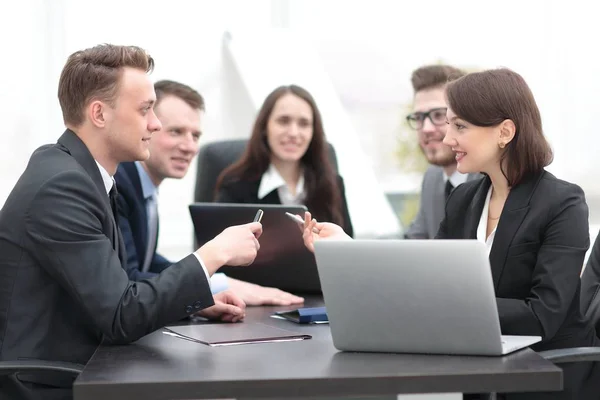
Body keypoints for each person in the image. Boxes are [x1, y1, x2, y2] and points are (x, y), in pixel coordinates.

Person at [300, 69, 599, 400]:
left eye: (460, 127)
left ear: (505, 132)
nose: (447, 139)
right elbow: (427, 278)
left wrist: (452, 306)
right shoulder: (464, 200)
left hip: (547, 377)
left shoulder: (562, 203)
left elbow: (544, 316)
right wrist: (347, 249)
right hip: (482, 369)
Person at [0, 44, 261, 400]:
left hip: (85, 366)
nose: (154, 124)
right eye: (145, 110)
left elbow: (121, 290)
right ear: (99, 114)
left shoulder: (84, 176)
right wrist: (214, 253)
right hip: (46, 385)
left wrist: (196, 299)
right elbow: (123, 314)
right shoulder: (63, 186)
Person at [115, 79, 304, 306]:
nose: (189, 147)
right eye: (176, 132)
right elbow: (129, 280)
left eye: (195, 136)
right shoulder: (119, 184)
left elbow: (147, 262)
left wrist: (219, 281)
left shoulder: (142, 187)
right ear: (149, 126)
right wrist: (216, 284)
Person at [214, 84, 353, 237]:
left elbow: (346, 252)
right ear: (265, 127)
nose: (294, 132)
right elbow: (222, 254)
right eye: (283, 121)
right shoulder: (235, 186)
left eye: (304, 124)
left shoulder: (332, 185)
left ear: (313, 132)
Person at [404, 65, 480, 239]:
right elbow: (414, 242)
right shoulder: (432, 178)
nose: (426, 128)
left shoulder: (492, 179)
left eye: (439, 115)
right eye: (418, 118)